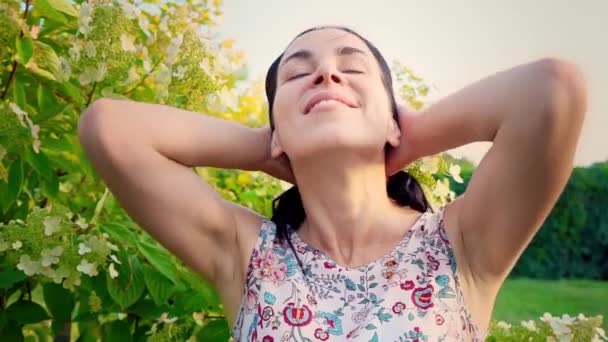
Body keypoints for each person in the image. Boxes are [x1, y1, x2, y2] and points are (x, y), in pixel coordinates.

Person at [78, 25, 587, 341]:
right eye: (299, 76)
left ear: (393, 116)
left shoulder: (460, 244)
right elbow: (109, 128)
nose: (326, 75)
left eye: (350, 66)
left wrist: (404, 138)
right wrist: (270, 146)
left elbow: (552, 90)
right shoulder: (245, 253)